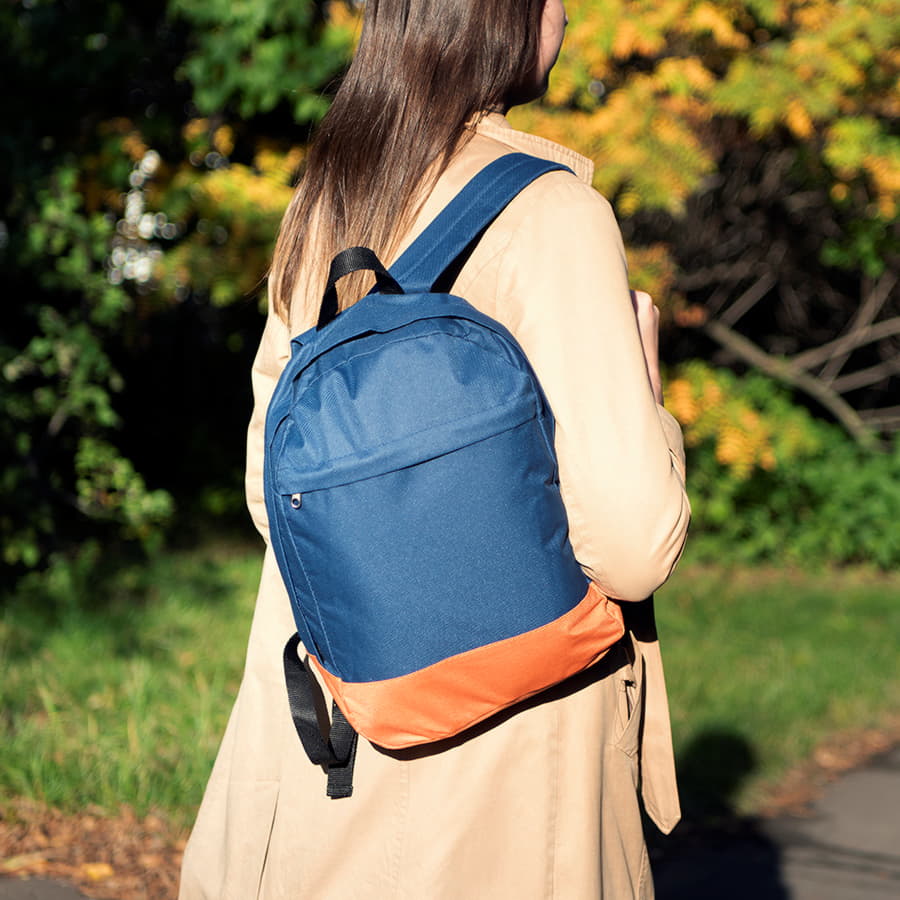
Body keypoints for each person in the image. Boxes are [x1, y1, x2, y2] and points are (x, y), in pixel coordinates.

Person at [179, 1, 690, 897]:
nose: (567, 13)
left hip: (328, 740)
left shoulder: (325, 201)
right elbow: (631, 544)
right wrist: (650, 406)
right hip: (507, 783)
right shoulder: (553, 212)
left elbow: (272, 491)